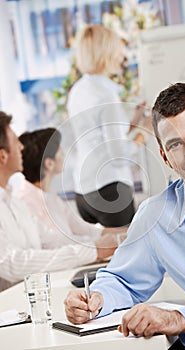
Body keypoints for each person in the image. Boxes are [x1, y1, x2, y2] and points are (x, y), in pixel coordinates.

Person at [64, 83, 185, 350]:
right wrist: (96, 299)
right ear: (164, 157)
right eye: (176, 144)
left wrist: (181, 318)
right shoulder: (156, 216)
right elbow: (123, 280)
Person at [0, 112, 119, 292]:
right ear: (3, 156)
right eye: (16, 142)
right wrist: (93, 250)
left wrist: (104, 245)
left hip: (34, 293)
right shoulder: (21, 198)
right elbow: (11, 263)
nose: (21, 147)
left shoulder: (13, 202)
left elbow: (52, 240)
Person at [67, 24, 151, 227]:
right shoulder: (107, 95)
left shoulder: (78, 90)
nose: (121, 57)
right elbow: (118, 154)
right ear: (107, 54)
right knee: (130, 256)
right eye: (118, 50)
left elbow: (96, 136)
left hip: (84, 192)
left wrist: (133, 122)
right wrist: (144, 133)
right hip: (110, 190)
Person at [16, 127, 126, 249]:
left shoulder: (51, 198)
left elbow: (87, 230)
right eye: (60, 150)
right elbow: (56, 244)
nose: (64, 154)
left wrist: (131, 233)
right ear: (49, 164)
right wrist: (107, 242)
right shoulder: (25, 202)